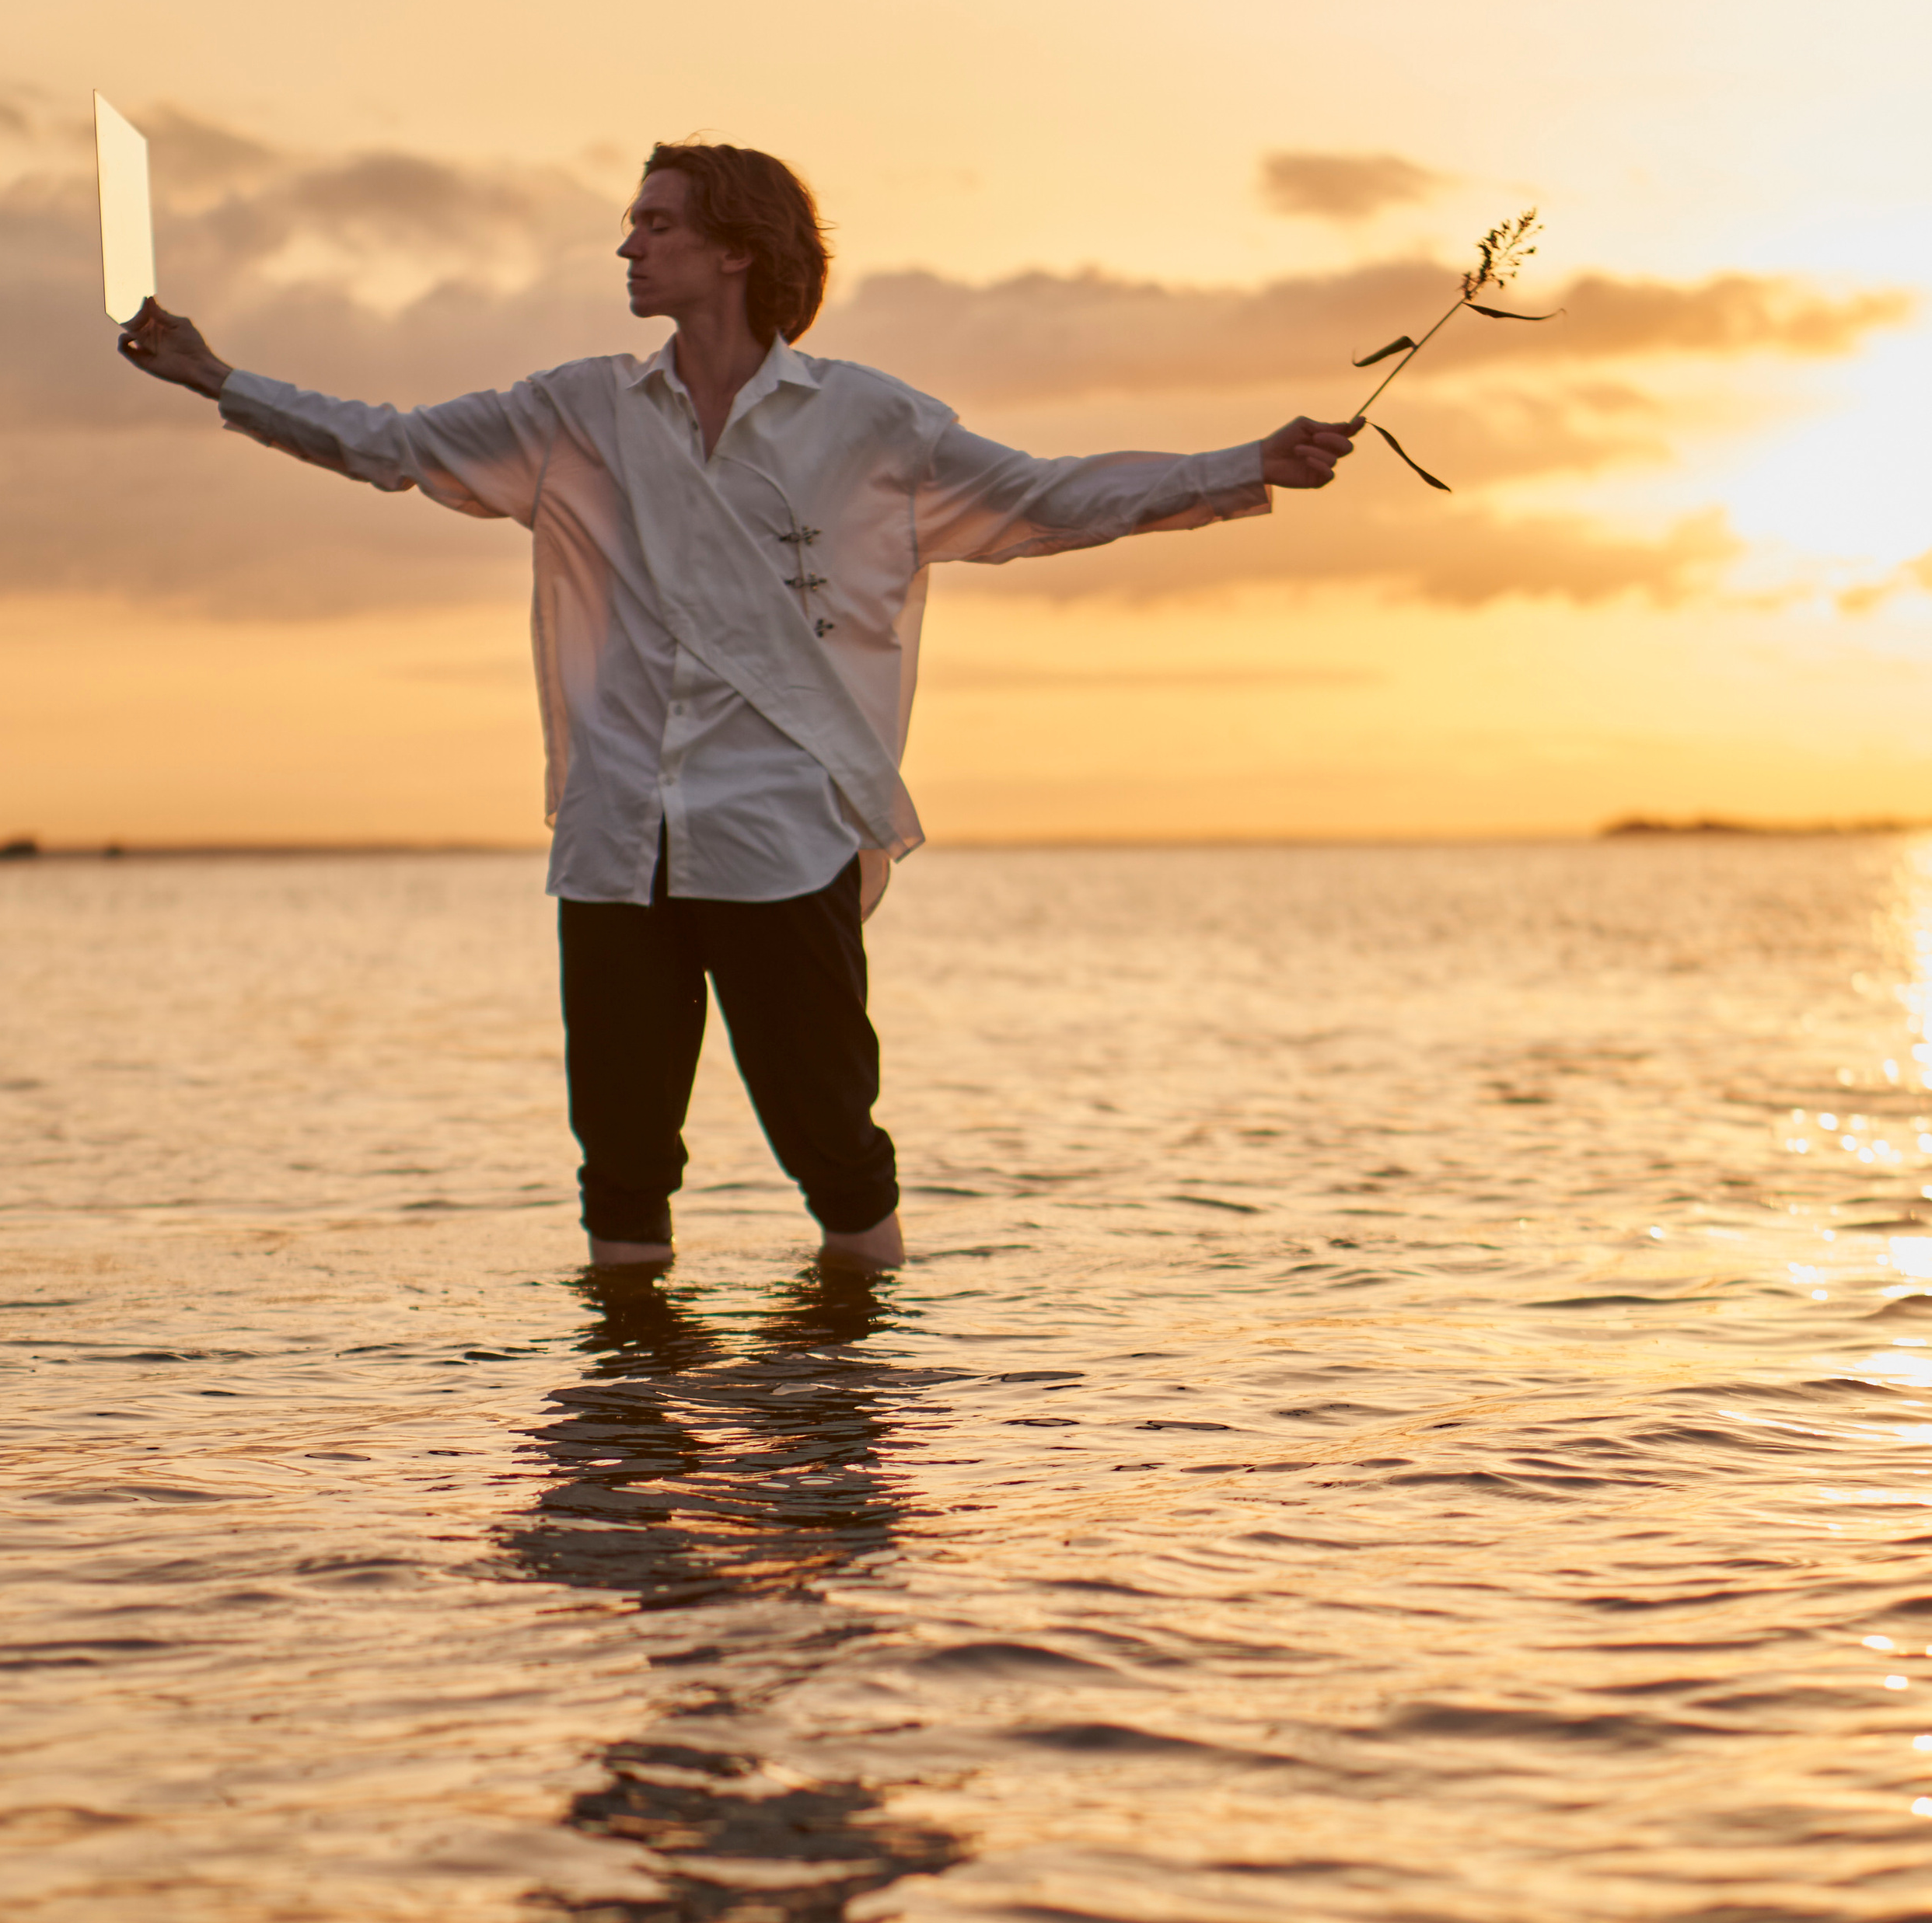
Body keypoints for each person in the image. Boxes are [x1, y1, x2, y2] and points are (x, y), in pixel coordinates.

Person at [117, 141, 1361, 1272]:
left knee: (833, 1144)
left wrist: (1241, 464)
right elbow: (387, 444)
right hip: (617, 832)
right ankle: (621, 1434)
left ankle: (848, 1405)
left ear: (737, 250)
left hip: (783, 827)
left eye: (656, 223)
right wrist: (213, 376)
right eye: (632, 223)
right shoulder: (576, 414)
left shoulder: (869, 422)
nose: (628, 246)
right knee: (619, 1165)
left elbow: (1048, 496)